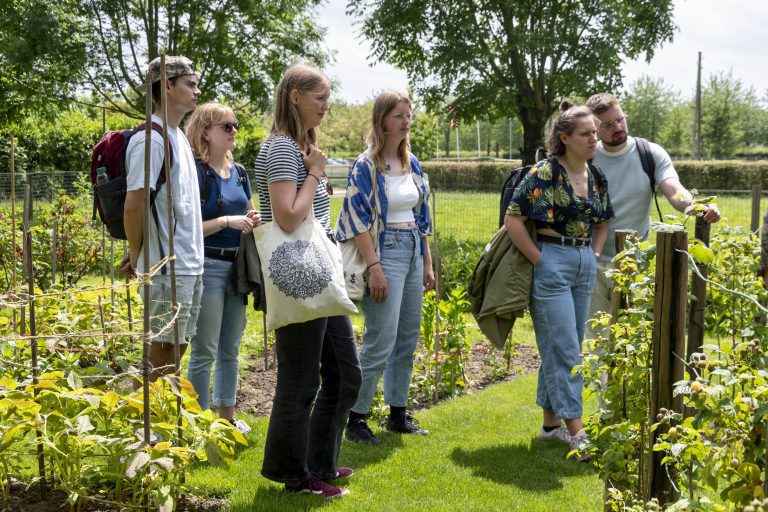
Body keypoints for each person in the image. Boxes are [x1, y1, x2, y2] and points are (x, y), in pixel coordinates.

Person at [254, 62, 361, 500]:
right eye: (319, 97)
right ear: (294, 96)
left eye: (328, 98)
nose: (326, 106)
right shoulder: (282, 148)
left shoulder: (298, 147)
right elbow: (285, 215)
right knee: (300, 381)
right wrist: (315, 173)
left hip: (317, 273)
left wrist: (316, 185)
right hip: (297, 274)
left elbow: (301, 208)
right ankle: (293, 476)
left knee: (344, 372)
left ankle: (320, 462)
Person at [504, 99, 614, 456]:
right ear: (565, 138)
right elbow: (514, 220)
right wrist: (541, 260)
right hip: (552, 260)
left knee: (561, 344)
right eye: (586, 134)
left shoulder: (595, 175)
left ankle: (551, 426)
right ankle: (577, 431)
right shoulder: (544, 174)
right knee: (567, 347)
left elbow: (602, 221)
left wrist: (594, 254)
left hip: (584, 261)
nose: (594, 139)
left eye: (595, 133)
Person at [335, 91, 434, 445]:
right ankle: (356, 418)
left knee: (407, 335)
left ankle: (397, 413)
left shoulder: (413, 163)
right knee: (381, 338)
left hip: (411, 251)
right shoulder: (365, 166)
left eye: (409, 115)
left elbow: (422, 214)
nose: (406, 121)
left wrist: (426, 260)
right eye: (398, 116)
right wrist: (375, 267)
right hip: (384, 251)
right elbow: (357, 221)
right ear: (382, 120)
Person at [585, 93, 721, 339]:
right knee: (598, 344)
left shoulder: (650, 153)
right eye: (607, 125)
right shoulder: (586, 157)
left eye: (619, 119)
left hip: (633, 262)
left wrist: (698, 207)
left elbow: (674, 189)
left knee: (631, 340)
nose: (617, 127)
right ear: (594, 129)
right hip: (589, 260)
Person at [119, 56, 204, 382]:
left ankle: (162, 415)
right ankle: (142, 420)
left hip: (189, 264)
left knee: (177, 346)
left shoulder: (177, 136)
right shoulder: (150, 139)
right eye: (190, 84)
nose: (197, 91)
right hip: (166, 267)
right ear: (167, 86)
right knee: (161, 348)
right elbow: (134, 205)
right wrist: (139, 254)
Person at [184, 102, 259, 433]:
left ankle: (226, 420)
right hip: (208, 266)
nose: (233, 131)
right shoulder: (196, 174)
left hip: (236, 269)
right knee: (205, 349)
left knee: (231, 348)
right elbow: (186, 229)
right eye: (225, 126)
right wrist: (227, 221)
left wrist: (251, 220)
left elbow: (250, 211)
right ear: (205, 132)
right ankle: (199, 423)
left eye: (234, 125)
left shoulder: (239, 172)